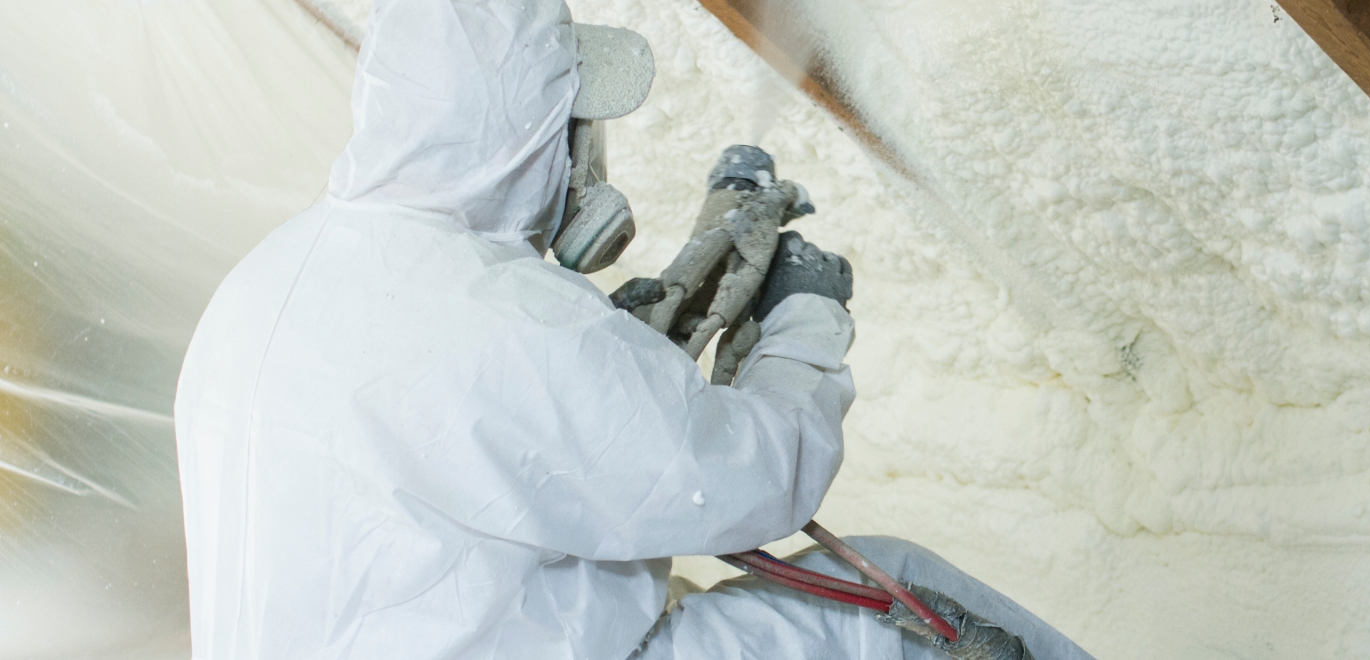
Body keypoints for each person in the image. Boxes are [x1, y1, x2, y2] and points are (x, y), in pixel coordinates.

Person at [172, 0, 1095, 658]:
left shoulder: (271, 274)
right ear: (529, 132)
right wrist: (803, 321)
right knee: (883, 600)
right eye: (575, 121)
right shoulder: (503, 318)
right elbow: (751, 483)